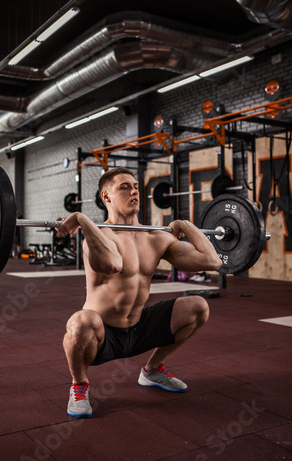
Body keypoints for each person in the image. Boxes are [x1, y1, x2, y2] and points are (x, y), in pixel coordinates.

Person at [56, 168, 222, 418]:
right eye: (124, 187)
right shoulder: (99, 235)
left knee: (198, 307)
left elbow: (212, 261)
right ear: (106, 196)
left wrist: (186, 226)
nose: (134, 191)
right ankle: (79, 386)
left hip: (139, 327)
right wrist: (82, 219)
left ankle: (152, 370)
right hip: (103, 336)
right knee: (80, 322)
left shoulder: (156, 238)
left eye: (135, 186)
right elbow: (113, 264)